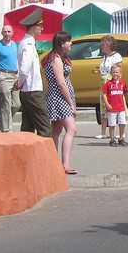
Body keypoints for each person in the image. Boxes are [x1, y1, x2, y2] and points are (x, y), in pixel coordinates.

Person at [43, 31, 78, 175]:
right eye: (69, 41)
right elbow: (61, 83)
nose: (71, 44)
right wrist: (70, 103)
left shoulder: (58, 58)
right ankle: (65, 164)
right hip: (60, 98)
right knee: (72, 129)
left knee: (56, 130)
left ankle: (53, 162)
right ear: (62, 43)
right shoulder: (56, 59)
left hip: (58, 97)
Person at [16, 11, 52, 137]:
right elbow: (24, 69)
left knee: (27, 127)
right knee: (45, 128)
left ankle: (25, 155)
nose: (42, 28)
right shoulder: (29, 44)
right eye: (40, 26)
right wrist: (19, 83)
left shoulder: (25, 42)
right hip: (33, 90)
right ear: (33, 27)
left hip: (28, 90)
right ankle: (45, 156)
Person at [0, 24, 20, 132]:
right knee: (6, 102)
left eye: (9, 31)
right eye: (5, 32)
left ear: (12, 33)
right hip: (3, 75)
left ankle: (0, 121)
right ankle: (7, 129)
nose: (7, 34)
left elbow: (17, 60)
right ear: (2, 33)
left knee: (16, 104)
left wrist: (19, 75)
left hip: (15, 75)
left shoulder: (15, 45)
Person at [96, 35, 122, 140]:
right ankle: (103, 132)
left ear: (110, 45)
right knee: (103, 107)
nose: (101, 46)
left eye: (104, 44)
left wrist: (118, 85)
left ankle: (120, 132)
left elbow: (120, 72)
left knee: (115, 108)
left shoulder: (116, 56)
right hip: (103, 84)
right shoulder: (104, 57)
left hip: (112, 84)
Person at [101, 62, 128, 146]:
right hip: (112, 108)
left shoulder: (122, 83)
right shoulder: (108, 84)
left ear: (120, 73)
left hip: (121, 108)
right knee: (112, 124)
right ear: (110, 73)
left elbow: (125, 92)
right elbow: (104, 94)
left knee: (122, 123)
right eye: (113, 72)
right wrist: (107, 104)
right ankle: (112, 139)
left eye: (117, 72)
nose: (115, 74)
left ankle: (121, 138)